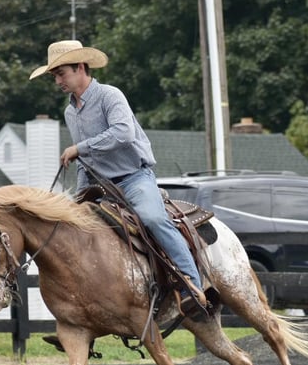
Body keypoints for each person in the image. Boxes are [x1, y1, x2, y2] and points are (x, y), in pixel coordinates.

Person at [29, 40, 207, 314]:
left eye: (61, 73)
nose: (57, 81)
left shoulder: (110, 96)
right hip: (100, 187)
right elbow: (84, 163)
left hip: (134, 178)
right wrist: (79, 197)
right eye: (54, 76)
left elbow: (124, 133)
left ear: (80, 68)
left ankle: (191, 285)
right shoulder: (70, 112)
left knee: (153, 219)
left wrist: (80, 148)